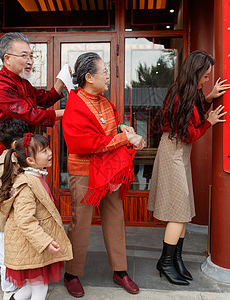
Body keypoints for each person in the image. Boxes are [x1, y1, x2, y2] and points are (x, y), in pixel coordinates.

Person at [0, 32, 66, 300]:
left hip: (20, 157)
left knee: (21, 217)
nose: (30, 60)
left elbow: (44, 98)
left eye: (31, 55)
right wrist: (67, 113)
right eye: (24, 55)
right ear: (7, 58)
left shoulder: (23, 83)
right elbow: (28, 113)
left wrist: (60, 83)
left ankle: (20, 275)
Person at [62, 52, 145, 297]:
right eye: (104, 72)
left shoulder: (104, 101)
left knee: (115, 217)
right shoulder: (75, 106)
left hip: (108, 171)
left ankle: (120, 271)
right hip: (84, 172)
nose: (108, 76)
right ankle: (72, 273)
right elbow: (87, 142)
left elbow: (107, 132)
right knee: (81, 223)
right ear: (89, 77)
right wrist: (125, 137)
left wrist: (122, 128)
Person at [147, 50, 229, 285]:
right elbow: (189, 133)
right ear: (196, 73)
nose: (207, 80)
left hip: (178, 153)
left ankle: (176, 259)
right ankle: (165, 261)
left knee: (182, 210)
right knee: (179, 211)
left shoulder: (187, 92)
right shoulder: (181, 95)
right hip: (174, 152)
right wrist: (209, 123)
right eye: (205, 76)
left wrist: (209, 97)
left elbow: (190, 114)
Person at [0, 133, 72, 300]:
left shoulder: (36, 177)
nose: (50, 153)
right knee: (40, 289)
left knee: (31, 288)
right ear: (30, 161)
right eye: (44, 151)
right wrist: (45, 242)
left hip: (34, 246)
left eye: (48, 148)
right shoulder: (26, 184)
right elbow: (25, 221)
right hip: (32, 247)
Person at [0, 118, 31, 300]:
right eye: (27, 138)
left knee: (16, 254)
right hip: (0, 219)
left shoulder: (19, 157)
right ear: (17, 142)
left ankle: (19, 286)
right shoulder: (6, 161)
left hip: (10, 218)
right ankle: (9, 291)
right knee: (6, 258)